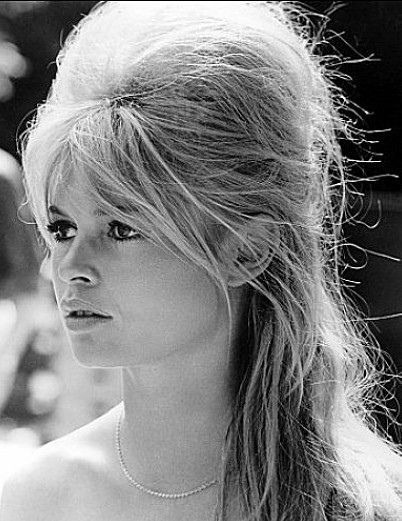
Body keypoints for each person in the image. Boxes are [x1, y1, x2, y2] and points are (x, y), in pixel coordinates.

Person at [1, 1, 401, 519]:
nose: (66, 267)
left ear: (246, 249)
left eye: (122, 228)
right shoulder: (28, 500)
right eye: (62, 229)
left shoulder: (366, 504)